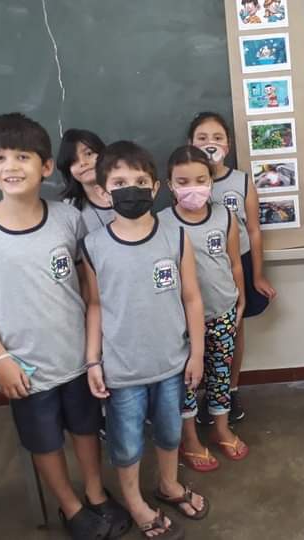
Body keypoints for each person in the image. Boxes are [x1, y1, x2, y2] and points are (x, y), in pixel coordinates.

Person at [0, 113, 130, 539]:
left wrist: (95, 351)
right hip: (24, 368)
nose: (11, 166)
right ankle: (70, 506)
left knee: (86, 430)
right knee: (44, 441)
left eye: (23, 156)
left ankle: (96, 494)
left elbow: (88, 288)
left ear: (46, 166)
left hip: (78, 358)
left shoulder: (68, 218)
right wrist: (0, 359)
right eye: (0, 157)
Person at [83, 140, 208, 538]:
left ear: (155, 188)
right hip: (122, 370)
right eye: (119, 182)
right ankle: (136, 501)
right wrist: (93, 360)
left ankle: (168, 484)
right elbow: (95, 305)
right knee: (126, 443)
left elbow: (192, 298)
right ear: (104, 191)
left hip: (171, 363)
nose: (131, 189)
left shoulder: (176, 237)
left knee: (170, 432)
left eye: (140, 181)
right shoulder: (94, 246)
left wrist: (197, 353)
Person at [160, 145, 249, 473]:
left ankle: (221, 428)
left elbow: (234, 262)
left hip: (222, 311)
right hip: (181, 321)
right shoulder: (161, 223)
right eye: (183, 182)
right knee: (186, 380)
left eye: (200, 180)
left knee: (220, 373)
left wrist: (240, 298)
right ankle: (189, 438)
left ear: (211, 181)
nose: (192, 188)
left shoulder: (225, 216)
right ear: (169, 185)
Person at [188, 112, 277, 423]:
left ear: (227, 145)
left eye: (217, 138)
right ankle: (202, 393)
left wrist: (258, 274)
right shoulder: (187, 181)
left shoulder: (242, 181)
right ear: (190, 144)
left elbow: (253, 229)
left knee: (234, 329)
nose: (210, 144)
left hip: (238, 264)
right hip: (199, 269)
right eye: (202, 138)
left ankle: (230, 389)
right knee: (198, 331)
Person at [57, 129, 113, 233]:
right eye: (73, 160)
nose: (82, 163)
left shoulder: (129, 191)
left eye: (88, 153)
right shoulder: (68, 210)